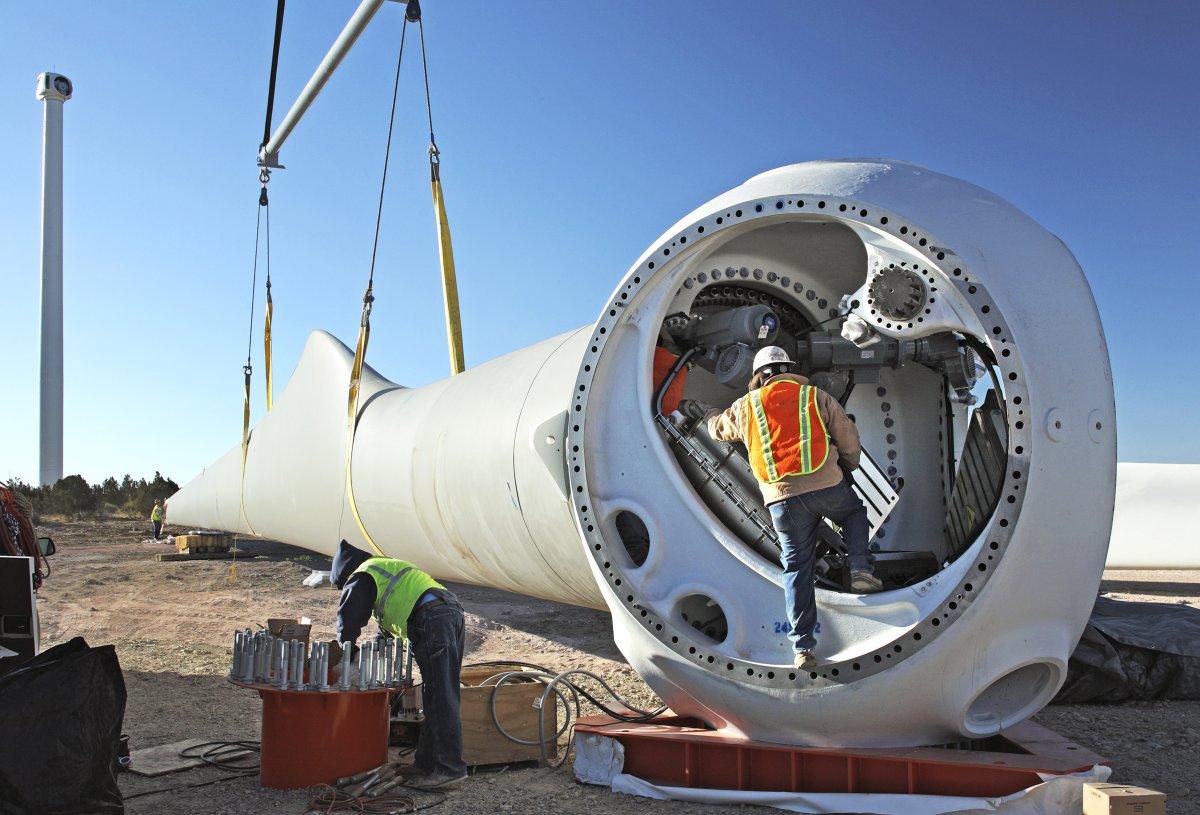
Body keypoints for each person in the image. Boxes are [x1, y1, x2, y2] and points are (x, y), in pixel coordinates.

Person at [703, 345, 883, 670]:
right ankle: (860, 570)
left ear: (759, 376)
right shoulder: (814, 397)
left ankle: (802, 648)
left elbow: (718, 430)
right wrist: (849, 466)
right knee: (854, 513)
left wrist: (706, 413)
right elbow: (848, 437)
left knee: (797, 569)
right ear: (790, 368)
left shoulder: (747, 406)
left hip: (782, 501)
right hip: (826, 484)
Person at [330, 539, 467, 790]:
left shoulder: (362, 575)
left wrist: (347, 654)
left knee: (441, 696)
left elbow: (347, 621)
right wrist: (366, 654)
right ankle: (426, 764)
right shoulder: (384, 571)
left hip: (432, 618)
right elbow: (386, 632)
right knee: (435, 694)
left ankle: (449, 770)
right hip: (446, 614)